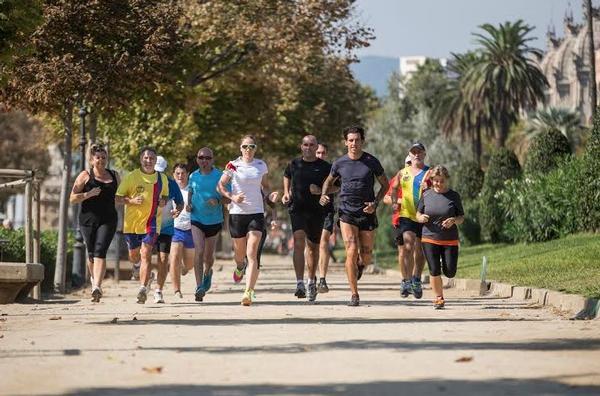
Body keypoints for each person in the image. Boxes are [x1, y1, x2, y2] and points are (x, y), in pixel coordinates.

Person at [320, 125, 389, 307]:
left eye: (357, 140)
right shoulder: (339, 163)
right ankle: (354, 294)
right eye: (350, 140)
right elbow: (328, 181)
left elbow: (385, 185)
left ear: (362, 141)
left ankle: (359, 265)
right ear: (345, 143)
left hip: (367, 212)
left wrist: (375, 203)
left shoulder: (371, 161)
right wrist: (324, 195)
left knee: (366, 255)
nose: (354, 143)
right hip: (346, 211)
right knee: (351, 249)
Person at [218, 135, 277, 306]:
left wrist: (269, 196)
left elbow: (265, 186)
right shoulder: (232, 165)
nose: (248, 149)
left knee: (252, 254)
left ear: (255, 148)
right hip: (237, 214)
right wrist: (232, 196)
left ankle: (248, 292)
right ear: (240, 148)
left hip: (256, 213)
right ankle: (239, 266)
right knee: (239, 255)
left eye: (251, 146)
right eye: (245, 146)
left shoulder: (261, 165)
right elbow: (220, 186)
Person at [116, 147, 175, 304]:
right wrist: (131, 201)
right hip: (132, 224)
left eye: (151, 158)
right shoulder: (131, 177)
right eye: (146, 158)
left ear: (156, 161)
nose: (149, 161)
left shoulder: (162, 179)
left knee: (146, 253)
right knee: (134, 255)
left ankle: (142, 288)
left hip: (152, 222)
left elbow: (165, 196)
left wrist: (163, 201)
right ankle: (138, 268)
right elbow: (118, 198)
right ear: (141, 160)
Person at [282, 135, 331, 302]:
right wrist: (286, 192)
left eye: (311, 145)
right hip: (297, 208)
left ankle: (311, 280)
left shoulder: (325, 167)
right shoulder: (294, 164)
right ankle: (299, 283)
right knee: (298, 240)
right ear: (301, 146)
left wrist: (321, 192)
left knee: (313, 248)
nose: (308, 147)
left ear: (316, 147)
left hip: (316, 211)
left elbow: (337, 186)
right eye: (305, 145)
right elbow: (287, 175)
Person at [70, 143, 118, 302]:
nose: (101, 160)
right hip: (87, 220)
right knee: (91, 253)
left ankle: (97, 286)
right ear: (92, 160)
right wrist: (88, 194)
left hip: (108, 220)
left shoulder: (114, 175)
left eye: (104, 157)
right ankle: (94, 281)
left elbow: (117, 197)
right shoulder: (85, 175)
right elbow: (72, 198)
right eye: (98, 158)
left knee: (100, 250)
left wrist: (130, 200)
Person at [416, 165, 464, 309]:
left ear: (446, 180)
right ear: (432, 180)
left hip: (449, 238)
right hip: (429, 237)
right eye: (436, 181)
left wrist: (453, 221)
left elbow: (461, 217)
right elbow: (417, 214)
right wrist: (421, 217)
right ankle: (439, 298)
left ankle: (445, 266)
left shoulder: (454, 196)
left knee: (450, 271)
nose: (438, 184)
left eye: (441, 181)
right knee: (434, 269)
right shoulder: (426, 195)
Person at [390, 142, 431, 299]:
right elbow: (393, 188)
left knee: (420, 250)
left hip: (424, 216)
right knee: (407, 245)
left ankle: (416, 279)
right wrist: (395, 202)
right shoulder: (402, 172)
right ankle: (405, 281)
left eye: (420, 151)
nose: (417, 154)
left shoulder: (430, 172)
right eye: (414, 152)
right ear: (410, 154)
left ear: (424, 154)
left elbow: (439, 187)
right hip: (406, 215)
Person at [188, 147, 226, 302]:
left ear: (212, 160)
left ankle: (208, 272)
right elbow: (190, 192)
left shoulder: (220, 176)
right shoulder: (193, 176)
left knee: (208, 257)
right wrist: (188, 204)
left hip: (214, 220)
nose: (204, 161)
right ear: (197, 159)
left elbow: (228, 198)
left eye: (207, 158)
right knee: (199, 250)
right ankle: (199, 287)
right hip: (196, 219)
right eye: (201, 157)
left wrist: (217, 201)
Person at [153, 156, 184, 303]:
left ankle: (158, 290)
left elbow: (180, 203)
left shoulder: (171, 184)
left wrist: (177, 211)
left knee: (164, 259)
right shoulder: (144, 181)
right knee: (143, 256)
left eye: (160, 171)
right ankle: (142, 272)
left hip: (166, 227)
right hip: (147, 225)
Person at [310, 143, 337, 294]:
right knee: (311, 245)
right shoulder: (305, 167)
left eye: (323, 153)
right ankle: (311, 277)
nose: (320, 155)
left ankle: (322, 279)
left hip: (326, 210)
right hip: (309, 211)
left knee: (323, 241)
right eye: (318, 152)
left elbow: (338, 186)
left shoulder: (331, 168)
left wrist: (322, 191)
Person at [383, 155, 410, 291]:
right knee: (402, 251)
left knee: (416, 251)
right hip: (399, 219)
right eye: (408, 163)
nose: (411, 165)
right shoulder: (398, 177)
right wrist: (400, 202)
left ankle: (413, 278)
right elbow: (386, 198)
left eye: (413, 162)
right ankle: (405, 280)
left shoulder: (422, 178)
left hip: (416, 219)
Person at [169, 163, 195, 299]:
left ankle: (185, 268)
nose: (180, 176)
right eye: (177, 173)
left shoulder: (193, 189)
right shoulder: (169, 189)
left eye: (183, 173)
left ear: (187, 174)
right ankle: (176, 290)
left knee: (190, 264)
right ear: (173, 175)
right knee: (174, 257)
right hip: (175, 228)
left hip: (191, 229)